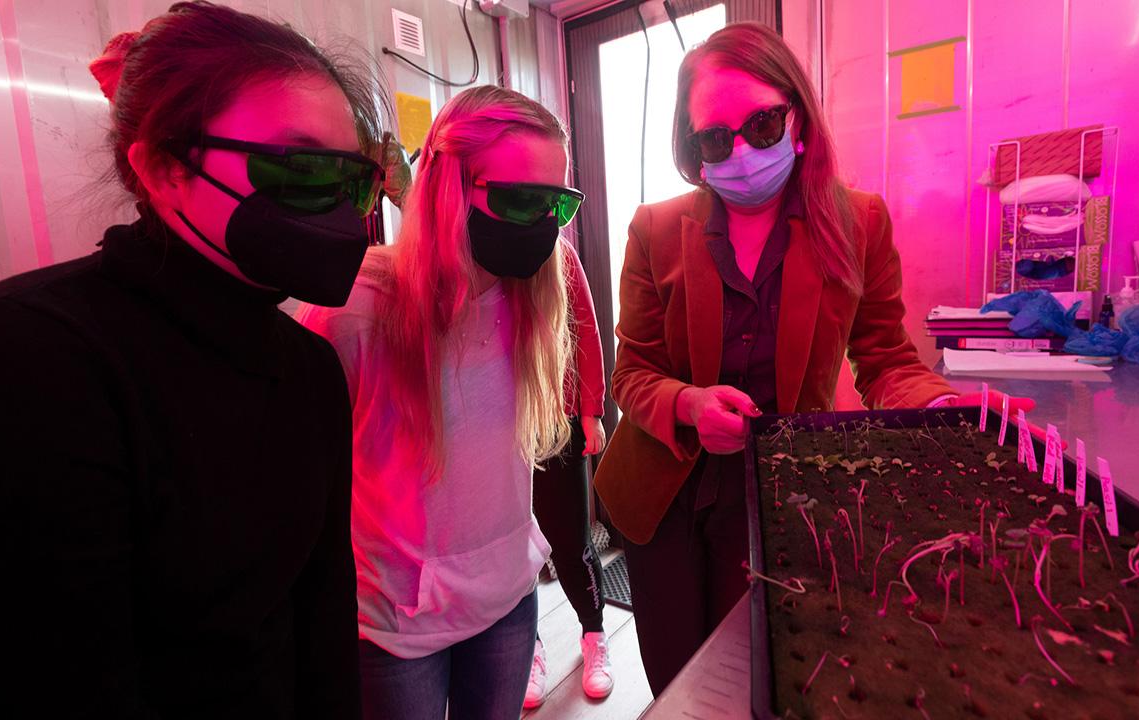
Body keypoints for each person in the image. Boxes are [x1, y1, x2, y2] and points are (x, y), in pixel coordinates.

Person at [0, 2, 388, 716]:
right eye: (301, 171)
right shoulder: (21, 357)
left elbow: (320, 625)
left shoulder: (308, 368)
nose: (337, 211)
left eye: (351, 182)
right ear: (161, 168)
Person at [592, 22, 1033, 696]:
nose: (741, 151)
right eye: (716, 137)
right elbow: (632, 373)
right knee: (681, 686)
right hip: (658, 499)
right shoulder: (656, 229)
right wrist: (687, 404)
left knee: (761, 681)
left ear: (798, 115)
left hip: (776, 496)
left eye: (763, 125)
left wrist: (940, 408)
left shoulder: (857, 222)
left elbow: (885, 359)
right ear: (694, 146)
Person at [297, 85, 582, 720]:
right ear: (451, 186)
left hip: (506, 601)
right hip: (396, 627)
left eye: (554, 205)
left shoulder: (528, 298)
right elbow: (300, 481)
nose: (539, 226)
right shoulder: (357, 310)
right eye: (518, 200)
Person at [523, 241, 613, 709]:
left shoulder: (559, 252)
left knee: (572, 540)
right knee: (514, 552)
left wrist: (592, 411)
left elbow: (588, 329)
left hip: (561, 421)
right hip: (503, 427)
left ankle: (594, 633)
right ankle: (528, 649)